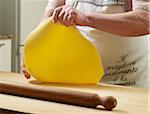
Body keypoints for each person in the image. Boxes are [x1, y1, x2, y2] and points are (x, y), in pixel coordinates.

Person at [21, 0, 150, 87]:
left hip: (127, 81)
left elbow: (146, 19)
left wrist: (86, 19)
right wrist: (34, 51)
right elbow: (50, 15)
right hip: (78, 82)